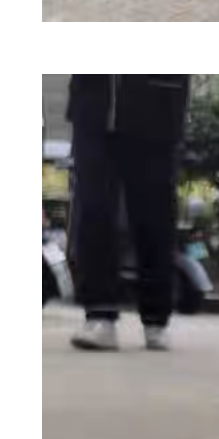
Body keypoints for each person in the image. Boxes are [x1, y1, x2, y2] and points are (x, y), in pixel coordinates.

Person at [67, 75, 191, 351]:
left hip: (157, 104)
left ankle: (156, 319)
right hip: (94, 104)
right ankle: (99, 315)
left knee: (154, 216)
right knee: (95, 211)